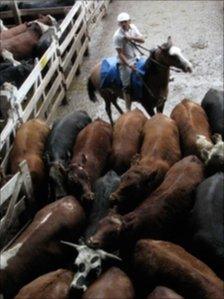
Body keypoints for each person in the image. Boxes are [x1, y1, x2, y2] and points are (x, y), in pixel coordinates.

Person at [113, 12, 145, 110]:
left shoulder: (133, 27)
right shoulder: (117, 36)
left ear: (129, 21)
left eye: (125, 22)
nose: (124, 24)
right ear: (119, 24)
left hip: (136, 57)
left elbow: (142, 40)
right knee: (126, 86)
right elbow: (120, 53)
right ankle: (128, 109)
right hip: (125, 62)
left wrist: (131, 38)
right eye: (121, 22)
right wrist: (129, 65)